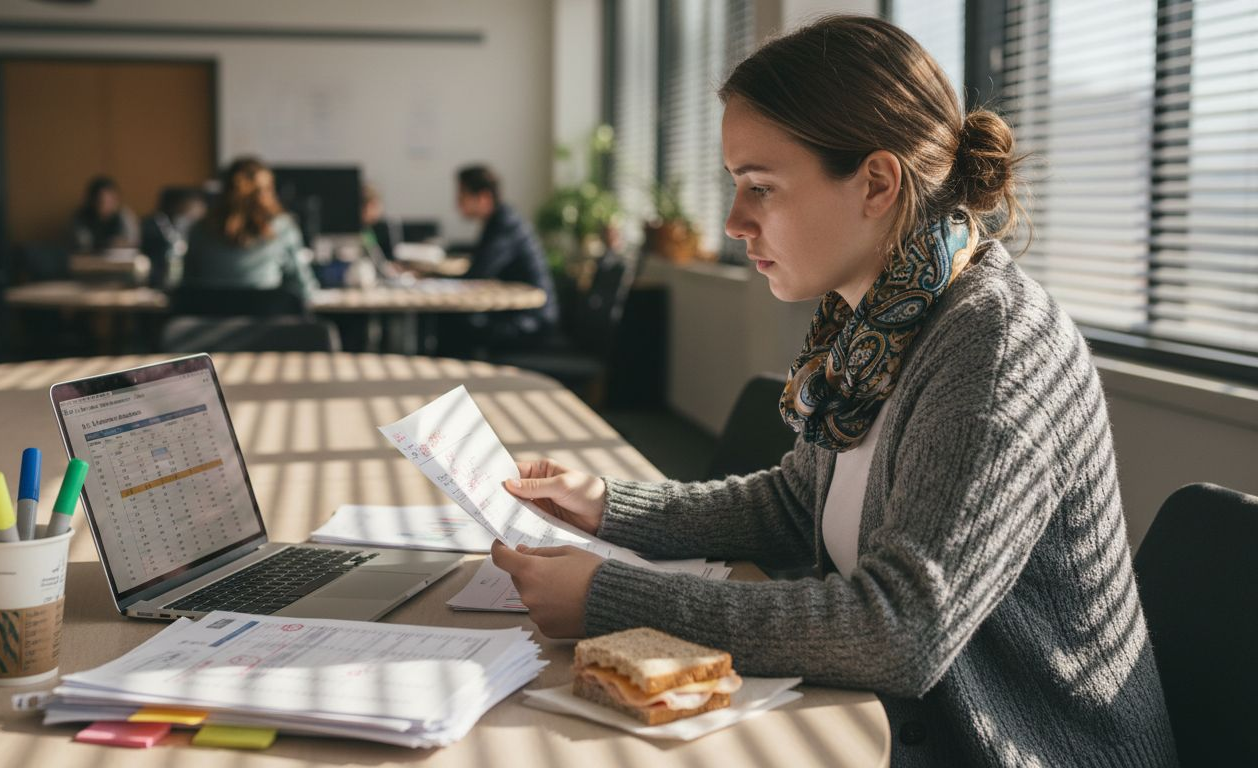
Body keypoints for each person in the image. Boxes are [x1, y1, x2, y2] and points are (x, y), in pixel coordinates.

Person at [488, 15, 1176, 767]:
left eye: (761, 188)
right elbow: (796, 504)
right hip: (885, 722)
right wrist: (609, 505)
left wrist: (609, 599)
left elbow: (900, 631)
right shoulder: (881, 316)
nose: (734, 221)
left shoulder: (994, 347)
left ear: (877, 183)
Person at [443, 164, 558, 354]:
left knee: (454, 324)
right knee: (455, 322)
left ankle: (462, 381)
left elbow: (479, 274)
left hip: (531, 322)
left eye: (462, 196)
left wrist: (432, 280)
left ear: (484, 197)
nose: (457, 203)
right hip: (518, 315)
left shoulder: (505, 225)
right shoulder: (498, 221)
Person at [181, 157, 318, 303]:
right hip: (265, 321)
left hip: (208, 322)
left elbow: (187, 285)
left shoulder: (200, 229)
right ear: (268, 190)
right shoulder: (282, 228)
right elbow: (303, 289)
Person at [140, 186, 206, 289]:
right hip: (157, 280)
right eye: (196, 204)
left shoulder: (194, 227)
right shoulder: (154, 224)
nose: (202, 208)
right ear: (179, 205)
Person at [70, 176, 138, 252]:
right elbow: (82, 244)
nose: (106, 205)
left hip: (119, 260)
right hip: (89, 259)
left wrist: (123, 243)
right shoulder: (81, 217)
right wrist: (108, 244)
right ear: (92, 200)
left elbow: (133, 241)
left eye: (110, 201)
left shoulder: (124, 216)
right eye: (101, 201)